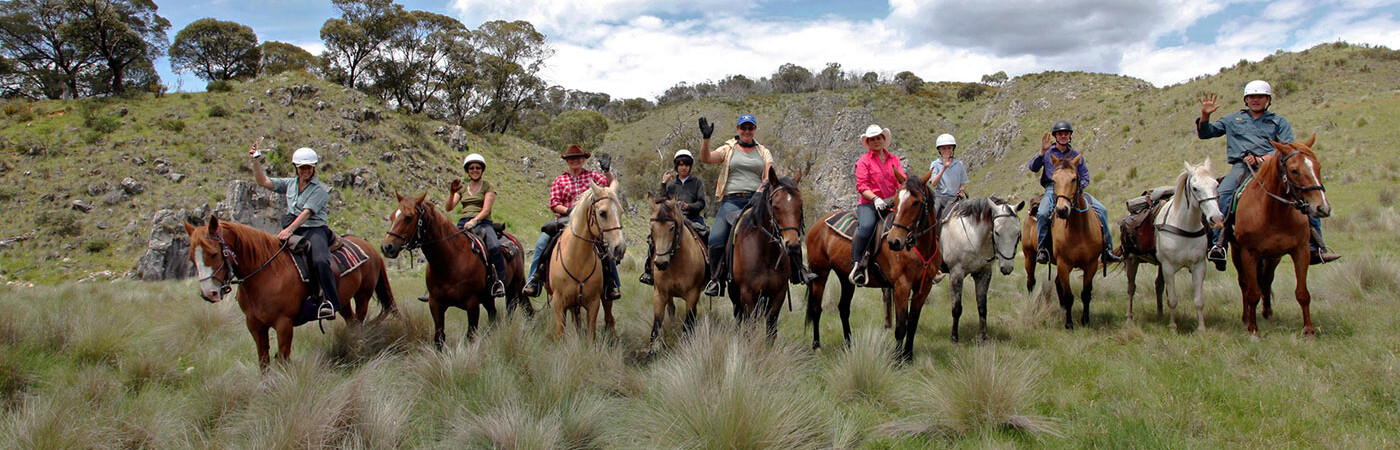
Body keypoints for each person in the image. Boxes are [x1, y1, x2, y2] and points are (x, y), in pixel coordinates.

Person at [1197, 79, 1340, 270]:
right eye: (1252, 97)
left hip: (1272, 167)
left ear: (1268, 99)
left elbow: (1289, 149)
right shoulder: (1232, 120)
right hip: (1241, 167)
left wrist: (1263, 158)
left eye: (1260, 96)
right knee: (1223, 193)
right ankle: (1219, 244)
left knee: (1304, 194)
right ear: (1246, 100)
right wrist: (1205, 116)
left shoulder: (1279, 122)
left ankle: (1316, 246)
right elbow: (1207, 133)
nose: (1256, 100)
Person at [697, 113, 816, 296]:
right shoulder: (729, 148)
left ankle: (799, 270)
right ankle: (716, 279)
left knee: (785, 225)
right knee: (716, 238)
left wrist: (761, 189)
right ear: (738, 129)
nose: (746, 131)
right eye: (743, 127)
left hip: (758, 199)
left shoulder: (763, 151)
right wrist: (706, 139)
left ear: (754, 129)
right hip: (732, 201)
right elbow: (706, 158)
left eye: (750, 127)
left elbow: (769, 173)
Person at [249, 144, 338, 320]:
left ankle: (329, 302)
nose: (305, 171)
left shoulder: (320, 190)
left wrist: (289, 230)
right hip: (291, 227)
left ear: (313, 168)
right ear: (296, 168)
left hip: (314, 229)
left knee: (320, 260)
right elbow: (263, 182)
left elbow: (307, 213)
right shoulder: (290, 184)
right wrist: (256, 162)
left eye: (308, 167)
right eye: (301, 167)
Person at [521, 144, 621, 300]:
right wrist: (570, 212)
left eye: (578, 158)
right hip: (565, 220)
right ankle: (534, 280)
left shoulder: (594, 177)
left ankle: (611, 283)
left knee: (605, 249)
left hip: (588, 222)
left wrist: (607, 171)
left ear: (583, 160)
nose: (575, 161)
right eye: (572, 159)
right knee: (542, 243)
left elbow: (610, 186)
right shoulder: (560, 180)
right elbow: (554, 203)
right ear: (567, 161)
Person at [1028, 120, 1122, 265]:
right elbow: (1033, 168)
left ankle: (1107, 250)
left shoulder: (1076, 155)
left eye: (1066, 133)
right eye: (1060, 133)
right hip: (1053, 189)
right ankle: (1042, 250)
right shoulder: (1048, 154)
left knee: (1102, 210)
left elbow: (1085, 177)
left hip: (1074, 190)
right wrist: (1041, 152)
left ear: (1070, 135)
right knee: (1042, 213)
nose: (1063, 136)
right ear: (1055, 136)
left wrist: (1077, 187)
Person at [640, 149, 707, 286]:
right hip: (673, 221)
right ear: (676, 166)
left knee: (707, 235)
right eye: (681, 164)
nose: (683, 167)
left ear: (690, 166)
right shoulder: (671, 185)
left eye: (686, 164)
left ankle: (710, 273)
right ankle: (648, 271)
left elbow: (701, 203)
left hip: (692, 219)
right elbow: (661, 203)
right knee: (652, 239)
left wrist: (688, 206)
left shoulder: (697, 183)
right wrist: (663, 184)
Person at [447, 153, 507, 298]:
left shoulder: (488, 187)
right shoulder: (462, 189)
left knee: (494, 247)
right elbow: (449, 207)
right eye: (472, 167)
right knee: (445, 248)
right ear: (467, 170)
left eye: (478, 168)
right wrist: (452, 192)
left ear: (482, 169)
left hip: (483, 222)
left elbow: (486, 209)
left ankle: (499, 282)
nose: (475, 170)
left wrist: (474, 220)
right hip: (463, 223)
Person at [928, 133, 969, 218]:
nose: (947, 151)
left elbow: (962, 183)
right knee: (933, 217)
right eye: (944, 148)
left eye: (949, 148)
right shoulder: (935, 164)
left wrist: (961, 191)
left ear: (953, 149)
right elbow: (934, 183)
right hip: (940, 198)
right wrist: (944, 168)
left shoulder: (959, 164)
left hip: (955, 198)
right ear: (939, 150)